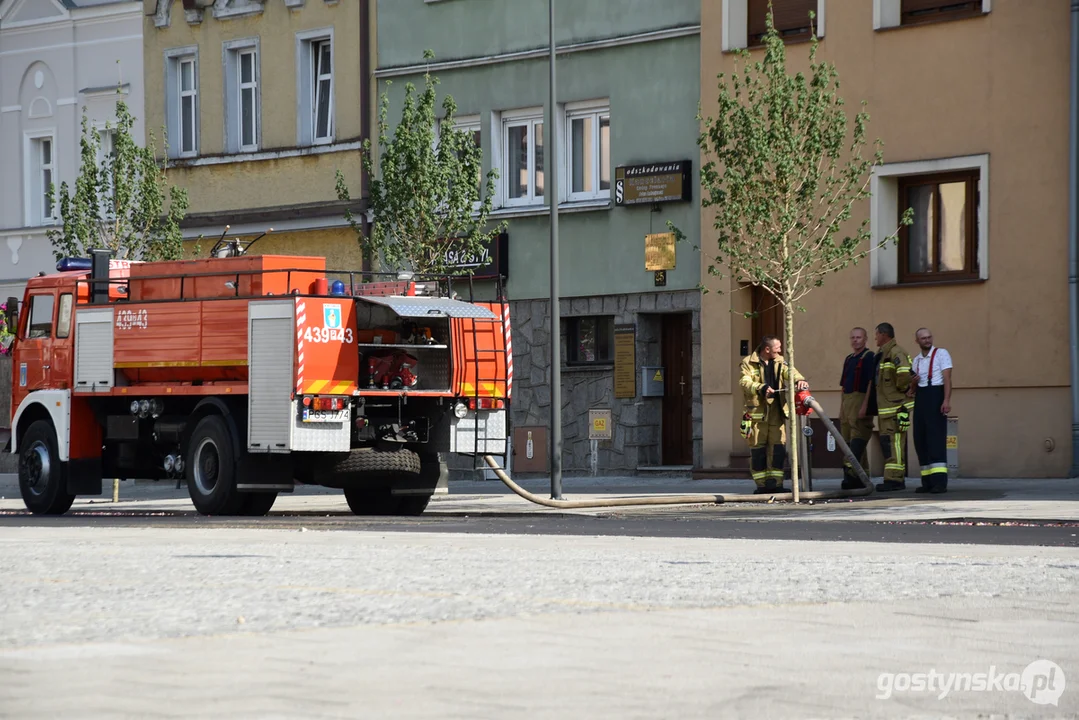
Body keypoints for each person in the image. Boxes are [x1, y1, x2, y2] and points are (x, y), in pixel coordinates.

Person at [739, 336, 809, 494]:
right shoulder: (748, 362)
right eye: (777, 347)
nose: (780, 350)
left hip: (777, 413)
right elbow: (744, 382)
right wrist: (761, 387)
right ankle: (762, 485)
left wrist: (800, 380)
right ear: (767, 349)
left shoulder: (780, 361)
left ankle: (776, 484)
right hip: (757, 415)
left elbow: (791, 372)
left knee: (778, 449)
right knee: (758, 450)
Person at [909, 328, 952, 494]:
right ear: (917, 341)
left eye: (929, 337)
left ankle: (939, 483)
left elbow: (947, 379)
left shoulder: (942, 354)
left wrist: (946, 400)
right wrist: (913, 383)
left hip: (936, 394)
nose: (927, 340)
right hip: (921, 398)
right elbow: (911, 390)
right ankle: (926, 482)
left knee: (936, 439)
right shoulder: (917, 360)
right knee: (920, 439)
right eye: (923, 338)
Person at [871, 323, 914, 492]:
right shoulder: (883, 353)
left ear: (884, 334)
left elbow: (904, 374)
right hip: (887, 408)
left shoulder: (896, 352)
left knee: (894, 442)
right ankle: (892, 477)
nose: (875, 338)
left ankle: (895, 479)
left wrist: (902, 390)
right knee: (888, 443)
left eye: (876, 335)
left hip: (895, 408)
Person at [839, 327, 876, 490]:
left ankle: (852, 476)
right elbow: (843, 386)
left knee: (857, 441)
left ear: (865, 339)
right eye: (853, 337)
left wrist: (865, 407)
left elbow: (870, 383)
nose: (855, 340)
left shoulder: (869, 357)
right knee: (847, 441)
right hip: (847, 401)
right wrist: (842, 408)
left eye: (858, 337)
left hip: (860, 399)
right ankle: (862, 476)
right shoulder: (848, 358)